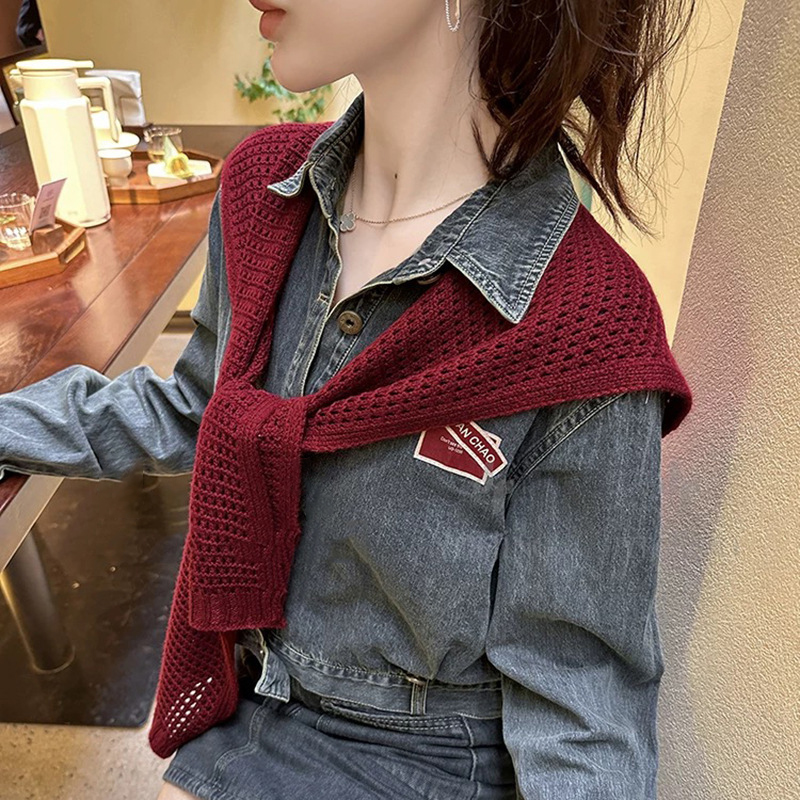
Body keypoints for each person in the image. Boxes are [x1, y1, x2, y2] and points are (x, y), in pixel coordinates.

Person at [0, 0, 696, 797]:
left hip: (428, 758)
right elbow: (199, 405)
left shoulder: (585, 325)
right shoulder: (264, 195)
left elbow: (581, 704)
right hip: (250, 692)